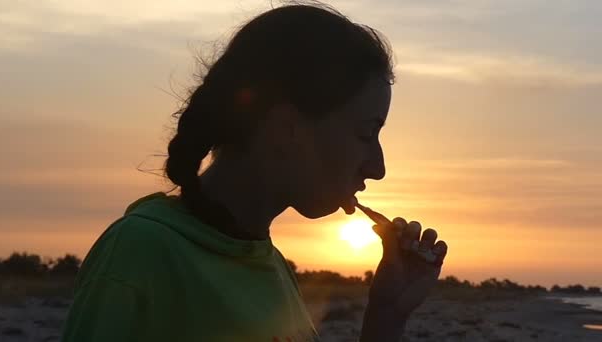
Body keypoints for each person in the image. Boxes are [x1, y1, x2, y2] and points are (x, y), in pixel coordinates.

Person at [60, 2, 448, 341]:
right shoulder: (140, 253)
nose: (378, 168)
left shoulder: (267, 263)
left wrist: (386, 318)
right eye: (366, 134)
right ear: (285, 129)